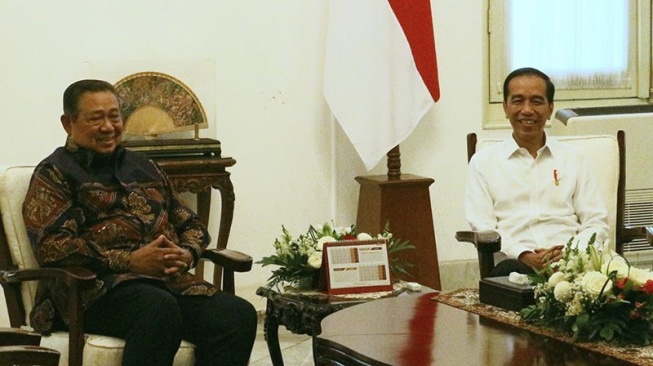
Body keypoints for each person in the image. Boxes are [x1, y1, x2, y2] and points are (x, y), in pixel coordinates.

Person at [23, 79, 257, 366]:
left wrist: (186, 254)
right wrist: (130, 261)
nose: (108, 126)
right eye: (96, 118)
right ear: (68, 123)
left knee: (236, 315)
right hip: (89, 293)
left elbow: (191, 224)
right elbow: (52, 248)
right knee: (157, 308)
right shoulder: (54, 173)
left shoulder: (145, 166)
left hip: (166, 285)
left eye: (114, 116)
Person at [464, 67, 610, 277]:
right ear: (505, 107)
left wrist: (570, 252)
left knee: (617, 270)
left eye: (536, 101)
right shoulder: (483, 162)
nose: (527, 110)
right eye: (518, 101)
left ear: (550, 108)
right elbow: (483, 227)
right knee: (508, 273)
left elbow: (596, 220)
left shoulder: (574, 158)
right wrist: (523, 254)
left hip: (573, 263)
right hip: (517, 266)